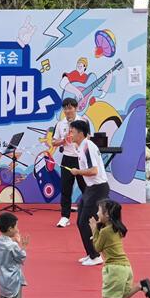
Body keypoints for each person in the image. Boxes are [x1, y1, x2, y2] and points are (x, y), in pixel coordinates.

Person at [92, 199, 150, 298]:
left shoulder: (105, 231)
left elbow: (97, 248)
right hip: (126, 268)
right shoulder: (116, 228)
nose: (97, 213)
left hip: (114, 269)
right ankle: (140, 286)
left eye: (99, 211)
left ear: (107, 214)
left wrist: (94, 229)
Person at [69, 120, 110, 266]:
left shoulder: (87, 147)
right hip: (90, 189)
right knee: (80, 222)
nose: (70, 134)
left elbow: (94, 171)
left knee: (86, 222)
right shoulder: (81, 147)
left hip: (98, 189)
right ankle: (90, 253)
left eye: (72, 132)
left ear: (80, 133)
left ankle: (96, 256)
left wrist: (77, 172)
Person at [52, 98, 86, 228]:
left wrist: (77, 138)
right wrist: (63, 140)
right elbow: (54, 142)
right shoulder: (60, 124)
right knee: (66, 189)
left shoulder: (83, 121)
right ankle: (65, 217)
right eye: (65, 108)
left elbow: (88, 139)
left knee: (85, 188)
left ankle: (90, 214)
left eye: (70, 108)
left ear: (76, 108)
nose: (67, 111)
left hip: (81, 159)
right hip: (67, 158)